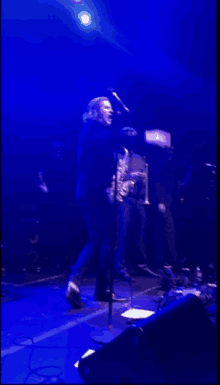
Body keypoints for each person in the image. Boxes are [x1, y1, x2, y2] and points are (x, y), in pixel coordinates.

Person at [66, 97, 128, 308]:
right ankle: (82, 284)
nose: (111, 111)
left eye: (111, 108)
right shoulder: (92, 129)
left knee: (103, 238)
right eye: (107, 108)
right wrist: (136, 136)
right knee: (103, 238)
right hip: (94, 195)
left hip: (94, 194)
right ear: (95, 111)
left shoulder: (95, 132)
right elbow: (109, 140)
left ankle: (96, 288)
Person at [113, 127, 161, 282]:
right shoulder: (117, 154)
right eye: (128, 135)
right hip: (124, 198)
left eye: (133, 134)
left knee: (140, 234)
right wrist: (130, 175)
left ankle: (141, 265)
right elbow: (113, 176)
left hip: (139, 199)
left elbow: (145, 179)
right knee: (122, 234)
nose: (131, 138)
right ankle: (119, 268)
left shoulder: (141, 158)